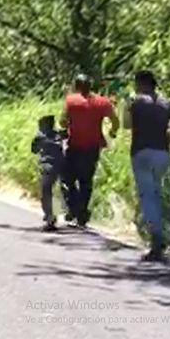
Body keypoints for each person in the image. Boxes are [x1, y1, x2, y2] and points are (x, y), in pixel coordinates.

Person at [124, 70, 170, 262]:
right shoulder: (167, 102)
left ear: (140, 83)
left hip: (141, 151)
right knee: (156, 193)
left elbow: (126, 125)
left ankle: (156, 241)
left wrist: (127, 107)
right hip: (162, 152)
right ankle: (159, 236)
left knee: (148, 195)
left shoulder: (134, 101)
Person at [60, 74, 119, 227]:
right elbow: (115, 120)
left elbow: (62, 121)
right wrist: (113, 132)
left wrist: (66, 126)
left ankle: (73, 208)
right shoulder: (102, 102)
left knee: (67, 179)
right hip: (93, 146)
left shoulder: (71, 100)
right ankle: (82, 213)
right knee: (86, 181)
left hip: (74, 145)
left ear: (76, 86)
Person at [31, 115, 67, 232]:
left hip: (48, 166)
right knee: (57, 190)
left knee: (46, 192)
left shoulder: (40, 136)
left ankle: (50, 218)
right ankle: (58, 214)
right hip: (62, 164)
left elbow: (34, 150)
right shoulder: (58, 135)